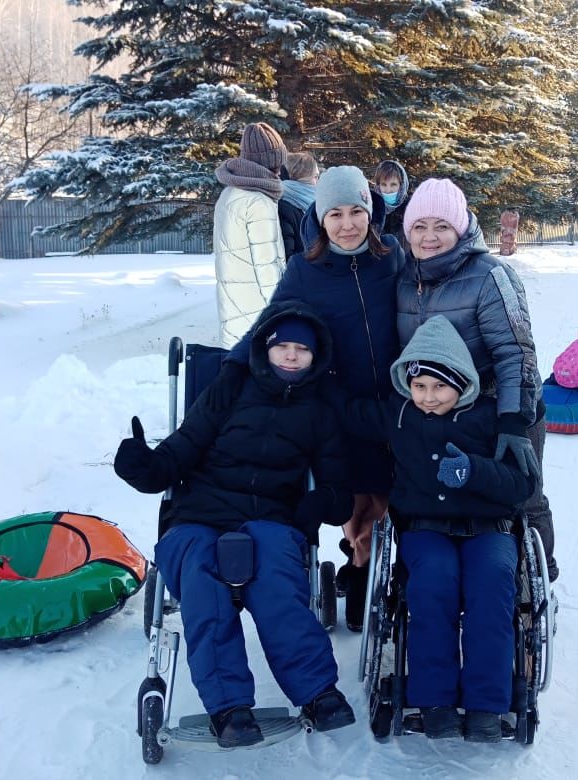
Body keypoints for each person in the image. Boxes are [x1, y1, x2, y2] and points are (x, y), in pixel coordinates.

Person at [113, 302, 356, 747]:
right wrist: (142, 466)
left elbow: (340, 491)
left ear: (315, 357)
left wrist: (320, 502)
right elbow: (180, 450)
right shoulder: (230, 387)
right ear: (265, 348)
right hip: (198, 514)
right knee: (203, 583)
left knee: (278, 584)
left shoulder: (321, 411)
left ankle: (318, 693)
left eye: (302, 349)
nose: (290, 355)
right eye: (283, 345)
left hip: (272, 516)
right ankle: (228, 708)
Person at [325, 315, 534, 742]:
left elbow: (523, 484)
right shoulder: (397, 414)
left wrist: (475, 471)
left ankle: (486, 705)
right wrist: (315, 373)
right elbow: (347, 410)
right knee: (431, 585)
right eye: (419, 386)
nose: (428, 397)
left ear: (463, 383)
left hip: (488, 527)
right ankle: (434, 699)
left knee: (492, 586)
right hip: (425, 528)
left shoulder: (492, 418)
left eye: (440, 386)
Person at [218, 165, 405, 632]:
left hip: (399, 400)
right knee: (358, 499)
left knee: (395, 496)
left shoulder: (393, 257)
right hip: (342, 404)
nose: (347, 224)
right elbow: (270, 321)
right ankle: (359, 563)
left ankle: (379, 570)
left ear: (371, 210)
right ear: (321, 218)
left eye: (356, 211)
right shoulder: (306, 269)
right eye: (335, 214)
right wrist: (232, 368)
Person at [396, 178, 558, 582]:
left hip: (501, 407)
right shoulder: (403, 279)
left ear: (461, 228)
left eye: (441, 226)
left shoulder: (490, 276)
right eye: (419, 226)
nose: (429, 237)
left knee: (523, 496)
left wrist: (514, 421)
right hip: (438, 406)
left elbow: (515, 352)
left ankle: (533, 582)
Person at [213, 122, 288, 349]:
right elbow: (267, 265)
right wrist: (282, 308)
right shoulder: (258, 202)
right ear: (270, 161)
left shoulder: (229, 194)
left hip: (234, 308)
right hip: (259, 315)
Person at [278, 151, 320, 260]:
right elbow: (288, 256)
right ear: (304, 178)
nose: (317, 182)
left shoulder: (314, 205)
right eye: (315, 177)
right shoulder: (284, 208)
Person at [372, 159, 410, 248]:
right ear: (378, 186)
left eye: (393, 185)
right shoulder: (372, 211)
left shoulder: (411, 210)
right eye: (384, 185)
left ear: (401, 185)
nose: (388, 190)